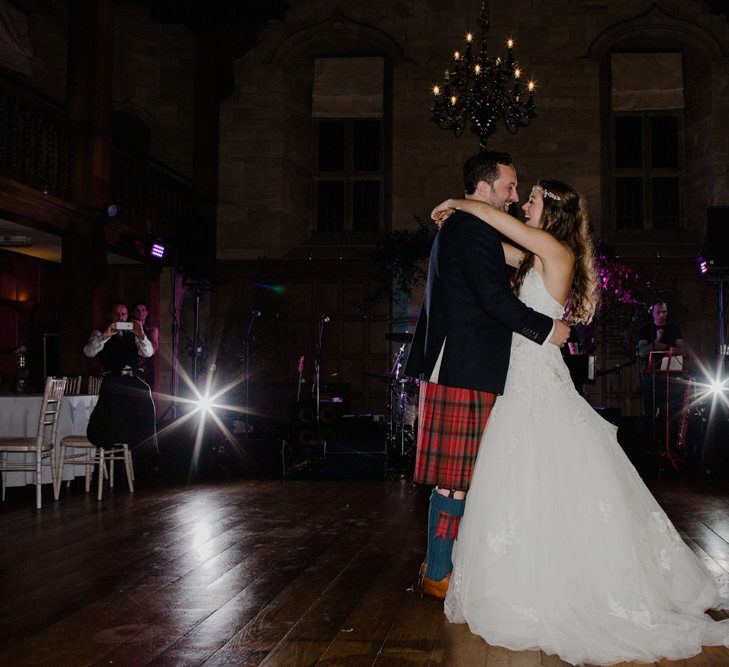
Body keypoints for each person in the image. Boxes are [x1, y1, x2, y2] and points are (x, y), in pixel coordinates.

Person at [431, 182, 729, 664]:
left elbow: (499, 224)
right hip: (521, 376)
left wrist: (459, 204)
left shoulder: (554, 248)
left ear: (551, 211)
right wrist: (462, 223)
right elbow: (492, 241)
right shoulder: (533, 253)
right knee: (527, 476)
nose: (523, 205)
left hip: (535, 378)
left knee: (544, 468)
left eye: (531, 200)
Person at [403, 151, 570, 600]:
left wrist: (455, 204)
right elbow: (495, 302)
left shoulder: (469, 227)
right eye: (509, 187)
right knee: (454, 478)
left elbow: (516, 267)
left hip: (464, 363)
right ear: (485, 188)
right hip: (464, 364)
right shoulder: (472, 229)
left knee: (457, 475)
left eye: (521, 192)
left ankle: (440, 565)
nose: (515, 198)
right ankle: (438, 572)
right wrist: (548, 328)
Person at [84, 302, 158, 465]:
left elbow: (149, 352)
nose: (120, 318)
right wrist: (106, 335)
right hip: (113, 379)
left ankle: (147, 446)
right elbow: (88, 351)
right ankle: (114, 439)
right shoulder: (100, 333)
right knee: (115, 399)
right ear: (110, 316)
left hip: (133, 380)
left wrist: (141, 335)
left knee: (145, 393)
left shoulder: (134, 333)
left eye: (123, 315)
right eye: (117, 314)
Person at [637, 301, 686, 420]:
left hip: (671, 377)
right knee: (649, 414)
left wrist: (667, 348)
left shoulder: (673, 329)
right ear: (653, 313)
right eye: (658, 312)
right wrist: (656, 341)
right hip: (652, 378)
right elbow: (642, 353)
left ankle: (669, 437)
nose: (661, 315)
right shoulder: (646, 329)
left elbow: (683, 350)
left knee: (673, 414)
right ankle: (651, 437)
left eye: (664, 312)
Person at [131, 301, 160, 389]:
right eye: (138, 310)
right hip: (132, 367)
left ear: (147, 313)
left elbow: (154, 348)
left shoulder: (151, 330)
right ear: (133, 312)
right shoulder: (128, 329)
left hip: (147, 367)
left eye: (143, 310)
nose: (140, 313)